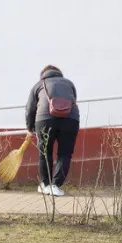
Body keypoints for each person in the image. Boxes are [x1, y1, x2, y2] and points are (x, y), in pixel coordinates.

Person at [25, 65, 80, 197]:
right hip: (70, 119)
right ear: (59, 74)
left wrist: (30, 127)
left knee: (45, 152)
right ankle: (55, 185)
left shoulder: (39, 85)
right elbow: (73, 100)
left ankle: (46, 185)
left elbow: (30, 109)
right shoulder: (69, 83)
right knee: (65, 153)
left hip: (45, 120)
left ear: (43, 74)